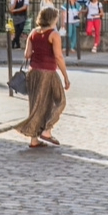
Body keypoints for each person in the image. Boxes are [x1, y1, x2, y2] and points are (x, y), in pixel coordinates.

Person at [15, 8, 69, 149]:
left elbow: (27, 54)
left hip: (33, 72)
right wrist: (65, 76)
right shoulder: (54, 34)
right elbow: (58, 57)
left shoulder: (33, 32)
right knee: (60, 101)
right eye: (56, 17)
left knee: (35, 105)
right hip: (48, 72)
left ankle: (34, 140)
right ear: (52, 19)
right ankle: (47, 130)